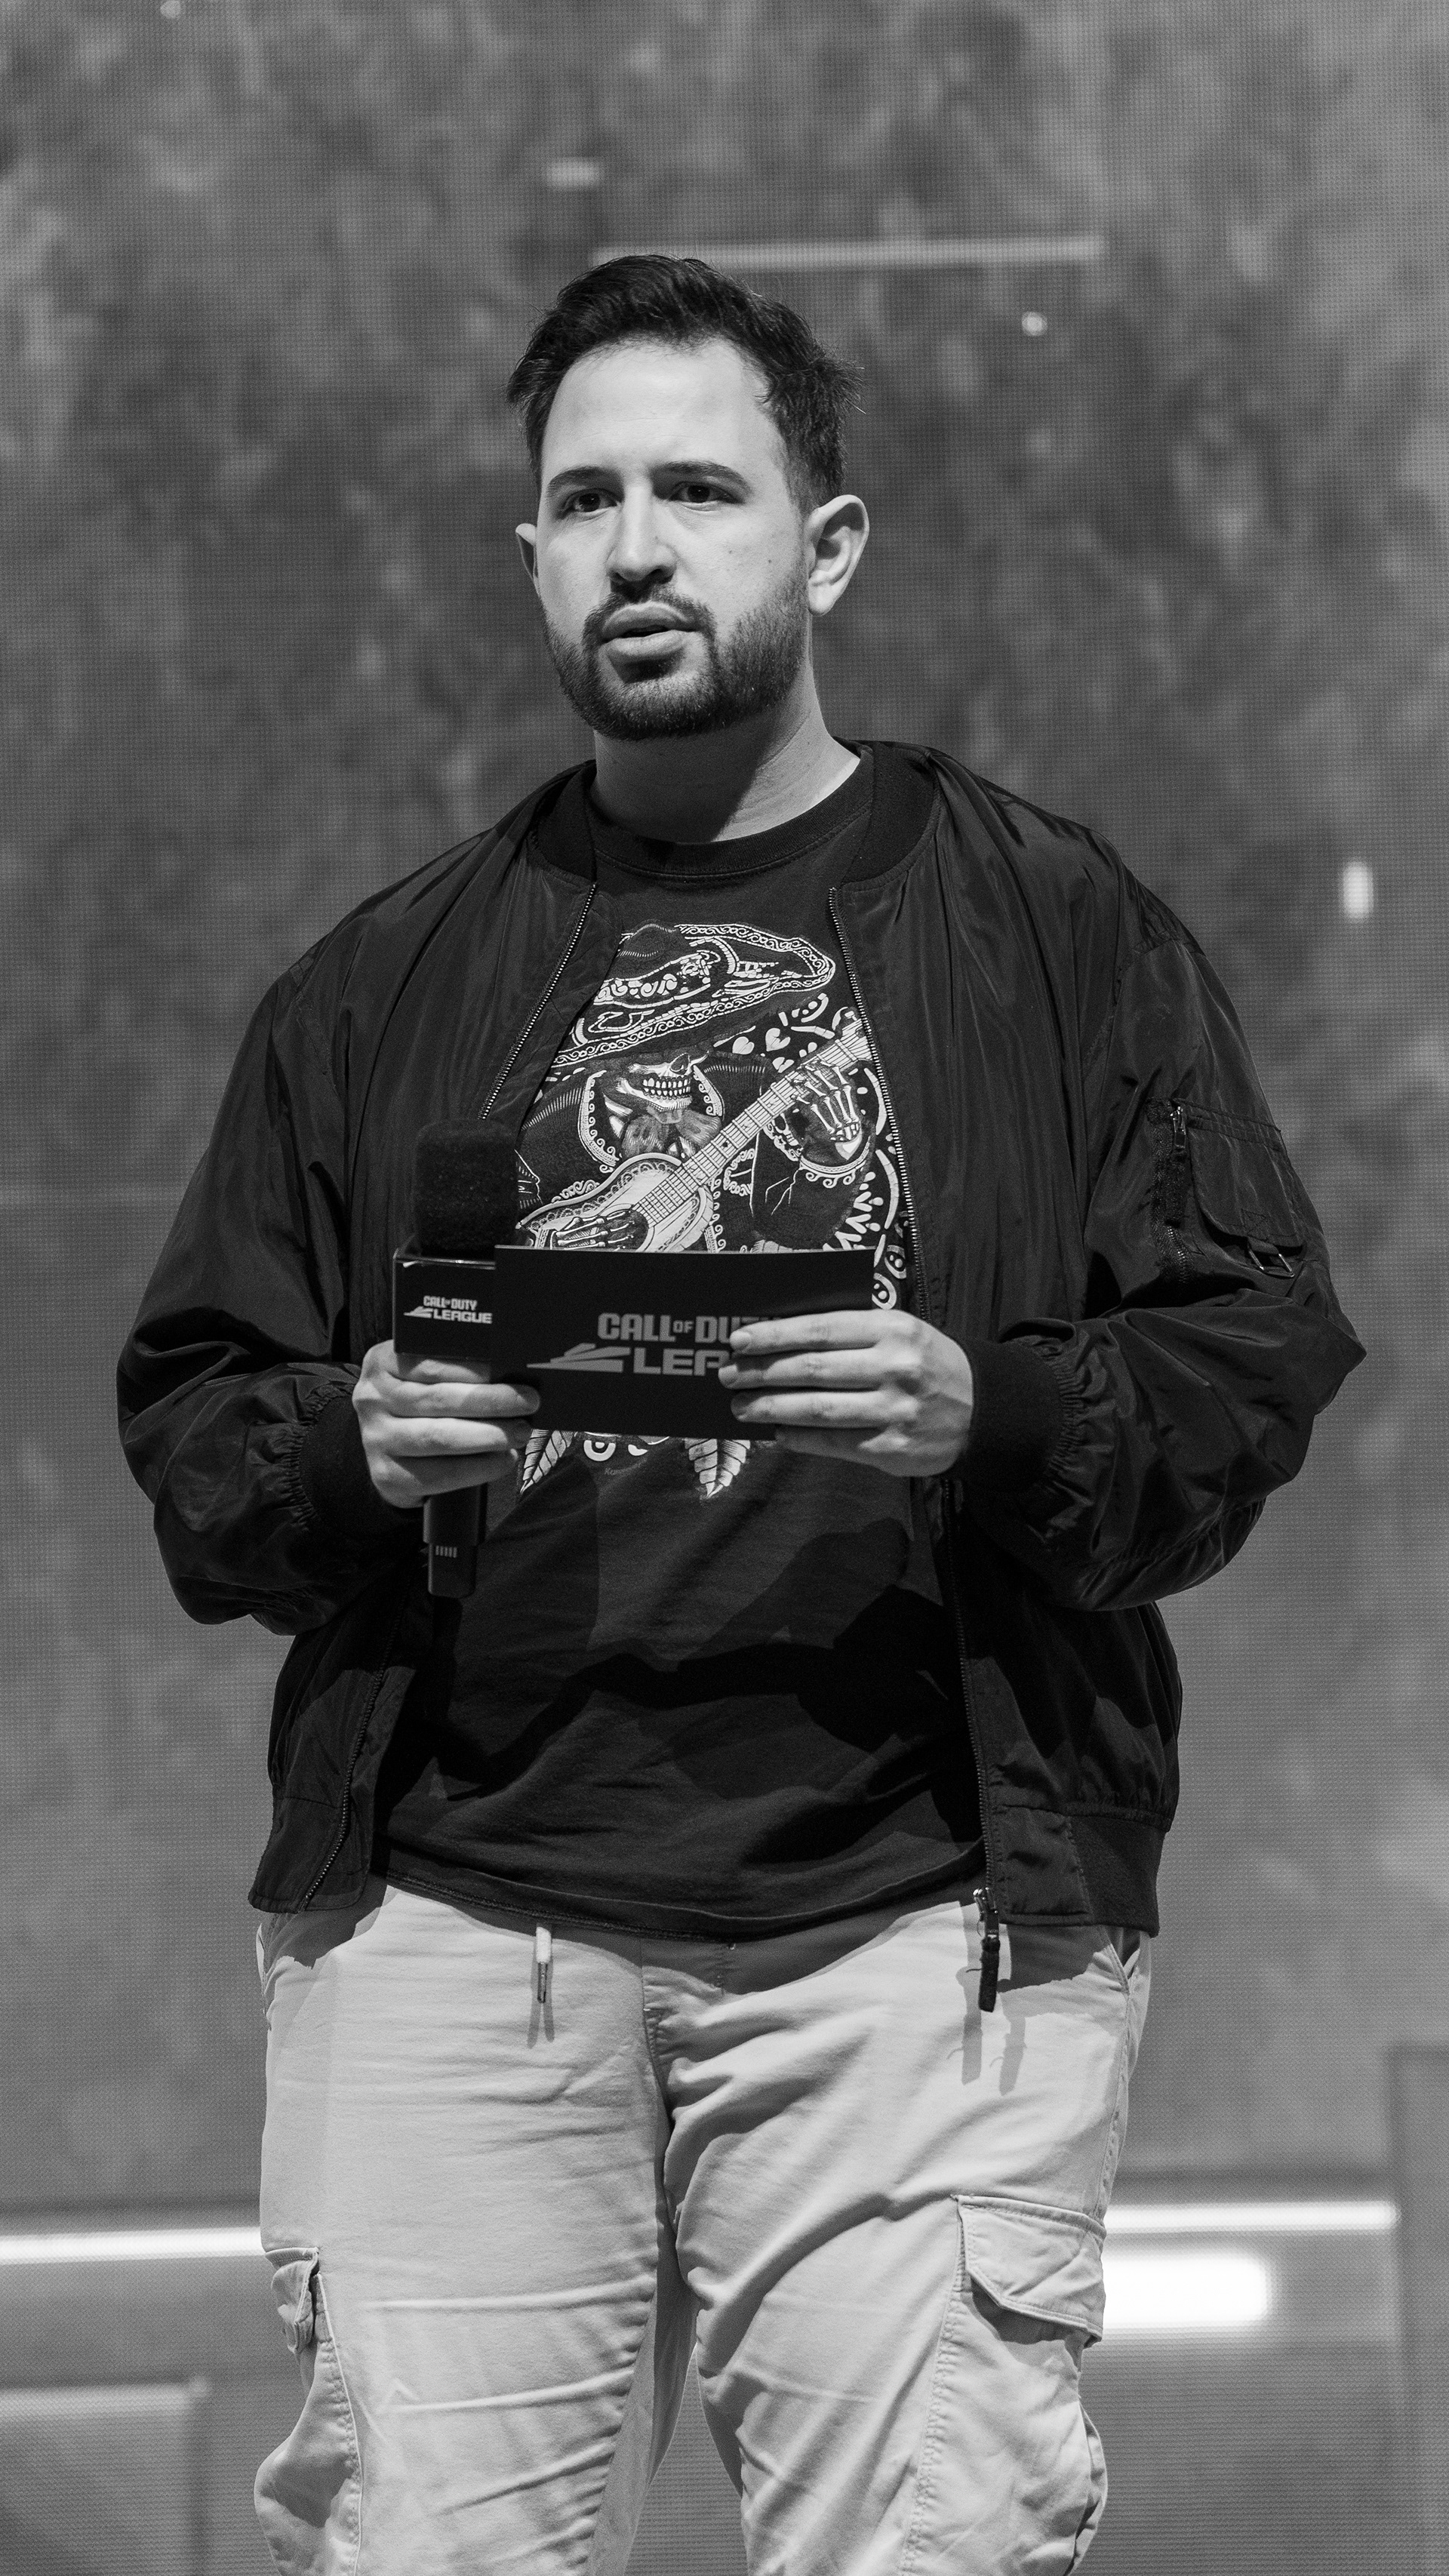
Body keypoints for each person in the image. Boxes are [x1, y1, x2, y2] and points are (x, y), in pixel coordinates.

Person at [118, 257, 1363, 2574]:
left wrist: (995, 1408)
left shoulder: (1057, 938)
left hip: (921, 1929)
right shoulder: (381, 986)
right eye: (587, 499)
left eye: (698, 489)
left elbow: (1251, 1352)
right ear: (531, 558)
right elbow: (199, 1420)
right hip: (460, 1932)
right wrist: (351, 1445)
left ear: (830, 542)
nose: (638, 545)